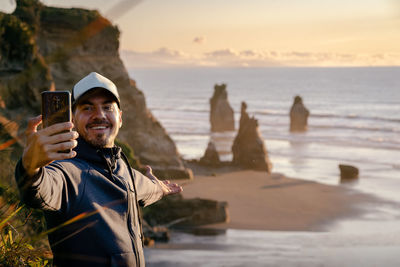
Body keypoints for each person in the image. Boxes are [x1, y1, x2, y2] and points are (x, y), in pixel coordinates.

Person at [15, 72, 182, 266]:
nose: (99, 115)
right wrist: (30, 165)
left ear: (119, 118)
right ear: (73, 119)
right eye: (88, 108)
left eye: (107, 107)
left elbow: (144, 187)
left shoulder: (124, 170)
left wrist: (160, 188)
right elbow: (38, 188)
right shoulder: (67, 171)